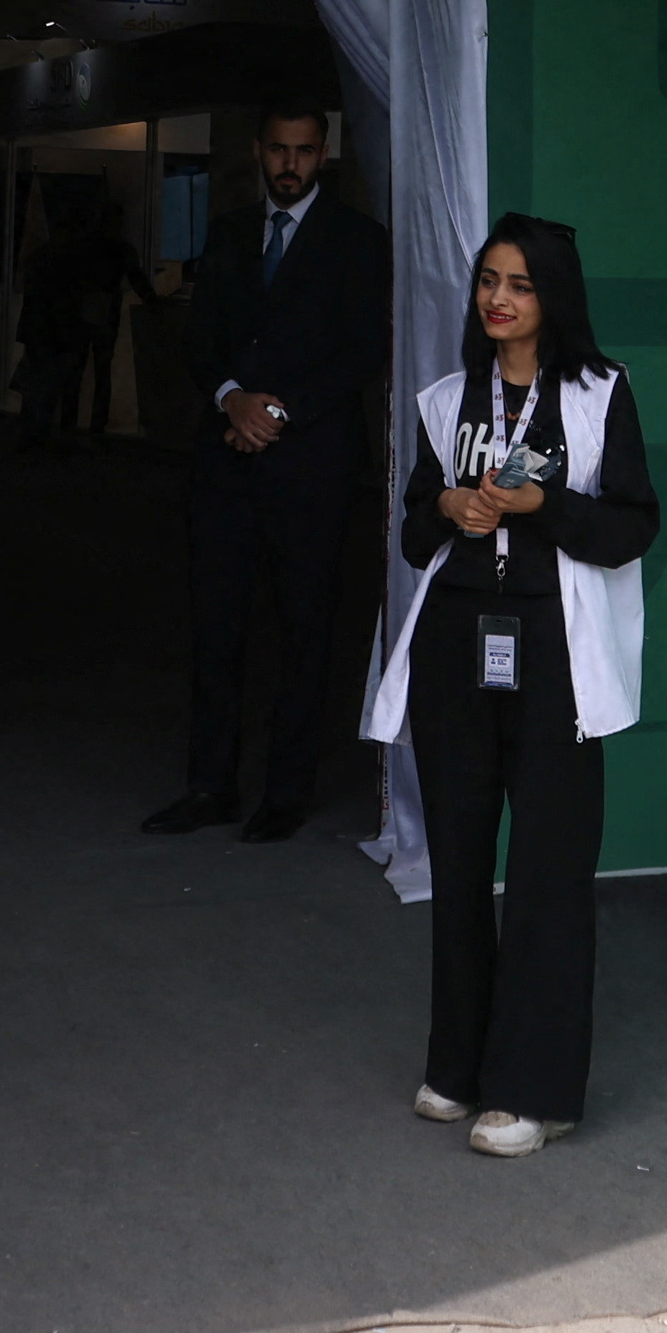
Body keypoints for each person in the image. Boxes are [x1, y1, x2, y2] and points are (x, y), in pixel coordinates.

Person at [362, 216, 656, 1158]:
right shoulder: (448, 397)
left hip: (558, 657)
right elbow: (414, 532)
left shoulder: (600, 394)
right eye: (489, 279)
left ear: (553, 296)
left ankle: (534, 1090)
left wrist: (545, 504)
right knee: (456, 859)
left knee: (547, 870)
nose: (498, 298)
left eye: (520, 284)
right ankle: (458, 1066)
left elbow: (633, 526)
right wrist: (449, 502)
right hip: (458, 650)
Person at [148, 107, 392, 842]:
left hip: (312, 463)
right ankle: (209, 785)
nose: (290, 164)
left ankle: (287, 793)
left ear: (325, 152)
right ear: (259, 150)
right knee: (216, 628)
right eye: (279, 150)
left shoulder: (358, 240)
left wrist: (277, 412)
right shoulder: (228, 232)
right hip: (225, 462)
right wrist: (232, 398)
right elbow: (200, 339)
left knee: (305, 629)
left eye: (304, 151)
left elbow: (364, 350)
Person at [13, 175, 127, 451]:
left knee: (42, 384)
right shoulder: (73, 258)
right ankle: (47, 432)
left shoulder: (43, 256)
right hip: (59, 330)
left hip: (42, 329)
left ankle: (38, 432)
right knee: (54, 383)